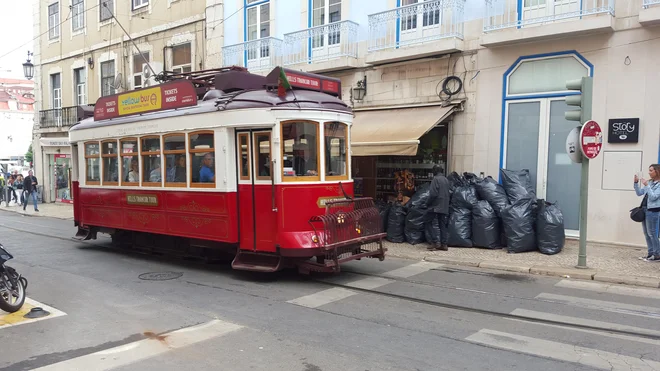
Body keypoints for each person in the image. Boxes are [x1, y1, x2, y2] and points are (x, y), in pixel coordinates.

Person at [634, 164, 660, 262]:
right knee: (646, 233)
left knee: (652, 233)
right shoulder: (650, 182)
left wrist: (647, 186)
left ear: (657, 171)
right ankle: (650, 254)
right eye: (649, 170)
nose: (649, 172)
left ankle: (657, 255)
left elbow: (654, 197)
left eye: (651, 170)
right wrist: (636, 183)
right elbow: (639, 193)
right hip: (644, 209)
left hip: (653, 211)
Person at [426, 165, 450, 251]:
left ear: (435, 171)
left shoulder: (435, 179)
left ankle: (434, 242)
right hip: (444, 206)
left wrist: (427, 203)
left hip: (435, 206)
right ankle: (444, 244)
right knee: (442, 225)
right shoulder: (446, 179)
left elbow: (433, 194)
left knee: (428, 221)